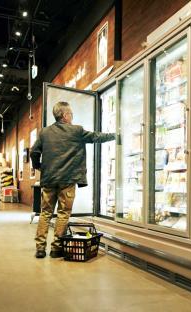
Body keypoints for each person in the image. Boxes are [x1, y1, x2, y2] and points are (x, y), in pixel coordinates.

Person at [30, 101, 115, 259]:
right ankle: (56, 248)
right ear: (65, 115)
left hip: (49, 180)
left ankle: (40, 248)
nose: (72, 116)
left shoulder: (44, 132)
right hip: (67, 181)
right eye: (71, 114)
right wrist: (115, 135)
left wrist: (39, 166)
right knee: (63, 213)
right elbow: (96, 137)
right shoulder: (76, 131)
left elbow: (34, 152)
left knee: (45, 213)